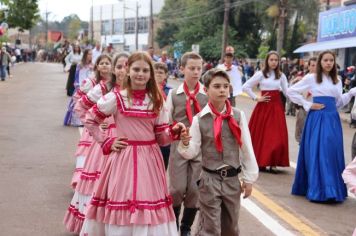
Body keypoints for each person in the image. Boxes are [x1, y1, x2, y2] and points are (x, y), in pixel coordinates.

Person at [79, 51, 185, 236]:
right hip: (123, 158)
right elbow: (90, 118)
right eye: (136, 69)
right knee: (122, 199)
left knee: (148, 201)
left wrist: (174, 132)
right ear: (128, 71)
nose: (140, 74)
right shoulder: (117, 97)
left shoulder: (157, 100)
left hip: (150, 160)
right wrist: (107, 141)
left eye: (145, 70)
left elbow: (161, 136)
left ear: (150, 74)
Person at [177, 68, 259, 235]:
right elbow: (191, 151)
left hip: (232, 180)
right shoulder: (199, 119)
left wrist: (249, 179)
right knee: (211, 228)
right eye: (217, 86)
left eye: (225, 86)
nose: (222, 90)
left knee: (231, 228)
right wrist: (185, 143)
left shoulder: (238, 116)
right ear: (206, 90)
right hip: (209, 180)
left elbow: (246, 148)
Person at [288, 50, 356, 202]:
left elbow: (338, 103)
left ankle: (332, 190)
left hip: (332, 119)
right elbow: (291, 91)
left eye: (331, 60)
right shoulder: (312, 78)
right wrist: (308, 104)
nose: (328, 63)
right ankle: (321, 191)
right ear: (320, 62)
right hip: (317, 117)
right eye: (325, 60)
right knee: (320, 152)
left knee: (332, 152)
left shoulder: (337, 80)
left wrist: (351, 93)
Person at [64, 54, 113, 233]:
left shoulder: (130, 90)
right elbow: (79, 102)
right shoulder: (97, 85)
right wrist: (95, 123)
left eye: (110, 63)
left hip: (122, 145)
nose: (106, 66)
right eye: (103, 63)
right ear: (98, 66)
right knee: (96, 177)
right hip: (100, 138)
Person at [166, 51, 208, 235]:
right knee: (176, 189)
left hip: (200, 147)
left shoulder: (207, 94)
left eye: (199, 68)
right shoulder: (174, 94)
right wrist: (176, 130)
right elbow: (167, 121)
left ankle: (185, 227)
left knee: (195, 189)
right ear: (182, 69)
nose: (196, 72)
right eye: (191, 68)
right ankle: (173, 223)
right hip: (179, 146)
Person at [242, 51, 289, 173]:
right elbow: (245, 87)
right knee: (261, 135)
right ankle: (261, 162)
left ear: (279, 62)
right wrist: (256, 97)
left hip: (277, 107)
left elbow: (287, 92)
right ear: (267, 61)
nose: (273, 62)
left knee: (276, 136)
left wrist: (300, 99)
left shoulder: (281, 76)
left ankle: (273, 163)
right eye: (271, 60)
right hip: (263, 107)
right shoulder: (261, 74)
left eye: (276, 60)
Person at [63, 49, 94, 126]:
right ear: (85, 55)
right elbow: (77, 76)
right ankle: (76, 121)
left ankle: (86, 120)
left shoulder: (93, 65)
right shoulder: (80, 65)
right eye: (89, 54)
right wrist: (77, 85)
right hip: (80, 86)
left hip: (89, 87)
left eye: (91, 54)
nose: (90, 56)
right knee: (76, 103)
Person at [292, 57, 316, 143]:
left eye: (317, 65)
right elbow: (292, 92)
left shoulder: (322, 80)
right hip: (303, 108)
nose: (315, 67)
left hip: (316, 110)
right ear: (308, 67)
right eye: (313, 65)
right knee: (301, 133)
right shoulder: (303, 79)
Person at [154, 62, 172, 170]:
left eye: (161, 72)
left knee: (164, 159)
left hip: (165, 129)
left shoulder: (170, 91)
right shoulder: (147, 91)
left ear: (165, 75)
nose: (158, 75)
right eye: (155, 72)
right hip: (151, 130)